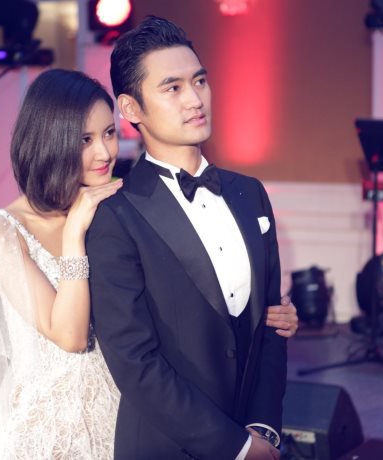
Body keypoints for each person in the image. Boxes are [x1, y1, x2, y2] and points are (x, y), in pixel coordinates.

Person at [0, 69, 298, 459]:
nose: (105, 152)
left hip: (119, 421)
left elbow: (181, 301)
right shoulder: (1, 230)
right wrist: (74, 236)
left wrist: (263, 314)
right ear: (49, 140)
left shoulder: (118, 207)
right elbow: (70, 336)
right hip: (46, 434)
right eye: (85, 139)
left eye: (109, 133)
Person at [86, 17, 291, 460]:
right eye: (173, 88)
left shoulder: (250, 193)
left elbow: (272, 324)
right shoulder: (116, 215)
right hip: (167, 446)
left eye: (199, 81)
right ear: (131, 109)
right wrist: (237, 447)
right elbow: (135, 363)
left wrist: (263, 429)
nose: (195, 99)